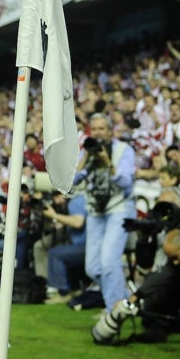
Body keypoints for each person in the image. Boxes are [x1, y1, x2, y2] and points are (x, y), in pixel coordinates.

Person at [73, 112, 137, 312]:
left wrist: (107, 161)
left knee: (109, 262)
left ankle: (113, 312)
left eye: (102, 129)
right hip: (95, 211)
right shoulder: (87, 152)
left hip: (119, 208)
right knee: (93, 268)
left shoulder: (124, 150)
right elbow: (70, 182)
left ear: (110, 131)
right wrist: (84, 160)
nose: (98, 133)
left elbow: (126, 182)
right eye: (95, 129)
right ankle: (128, 300)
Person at [35, 191, 88, 304]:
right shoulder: (80, 199)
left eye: (59, 196)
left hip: (87, 246)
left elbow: (78, 222)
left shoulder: (76, 201)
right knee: (63, 250)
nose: (57, 200)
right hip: (86, 245)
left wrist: (54, 215)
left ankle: (62, 293)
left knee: (55, 254)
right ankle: (74, 289)